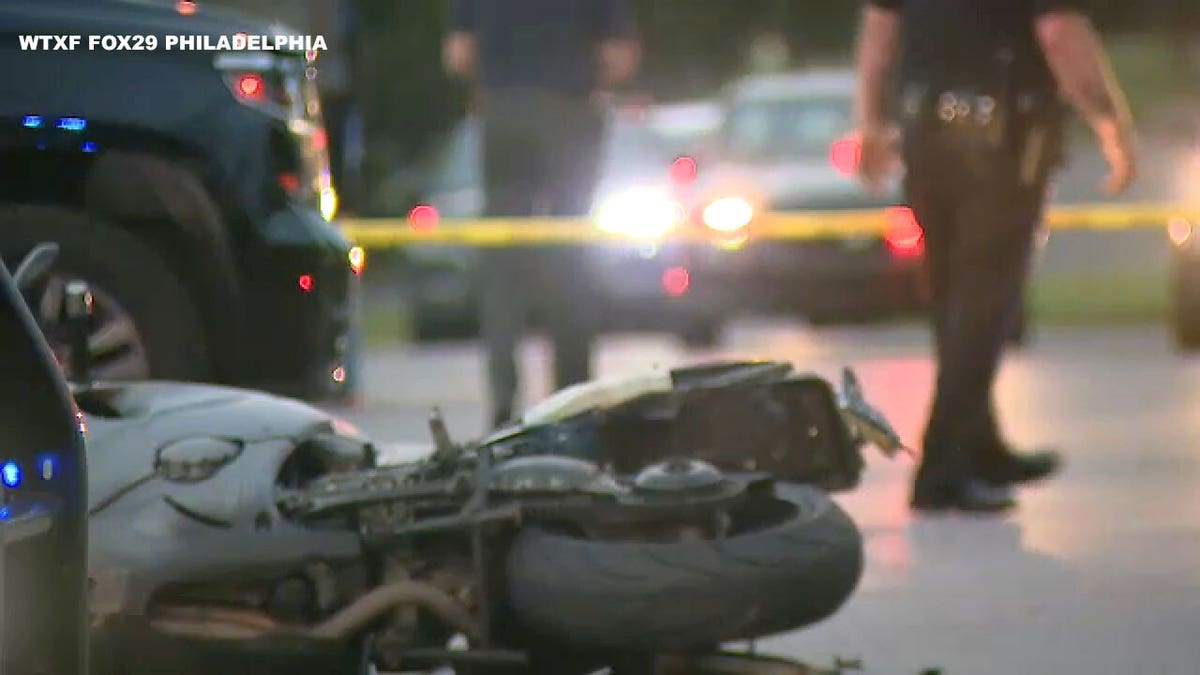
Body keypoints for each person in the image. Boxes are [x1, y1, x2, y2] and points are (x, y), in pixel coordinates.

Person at [852, 0, 1136, 511]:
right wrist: (1111, 121)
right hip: (999, 135)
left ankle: (979, 446)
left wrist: (870, 123)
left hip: (924, 132)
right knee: (985, 303)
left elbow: (879, 33)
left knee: (955, 297)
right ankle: (942, 466)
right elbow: (1059, 34)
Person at [444, 0, 640, 428]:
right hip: (569, 109)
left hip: (503, 112)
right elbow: (618, 56)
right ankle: (573, 403)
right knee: (569, 254)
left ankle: (502, 403)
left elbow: (459, 52)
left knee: (504, 257)